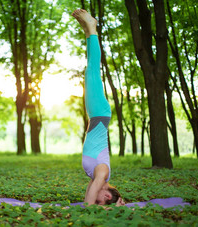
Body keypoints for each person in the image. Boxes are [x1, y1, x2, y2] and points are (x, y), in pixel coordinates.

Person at [72, 9, 124, 206]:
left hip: (96, 115)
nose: (98, 201)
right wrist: (95, 209)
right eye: (102, 202)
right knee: (92, 70)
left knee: (90, 71)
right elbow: (89, 201)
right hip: (99, 113)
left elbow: (92, 194)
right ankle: (92, 27)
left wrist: (117, 206)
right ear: (108, 195)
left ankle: (88, 30)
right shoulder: (102, 172)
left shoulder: (97, 179)